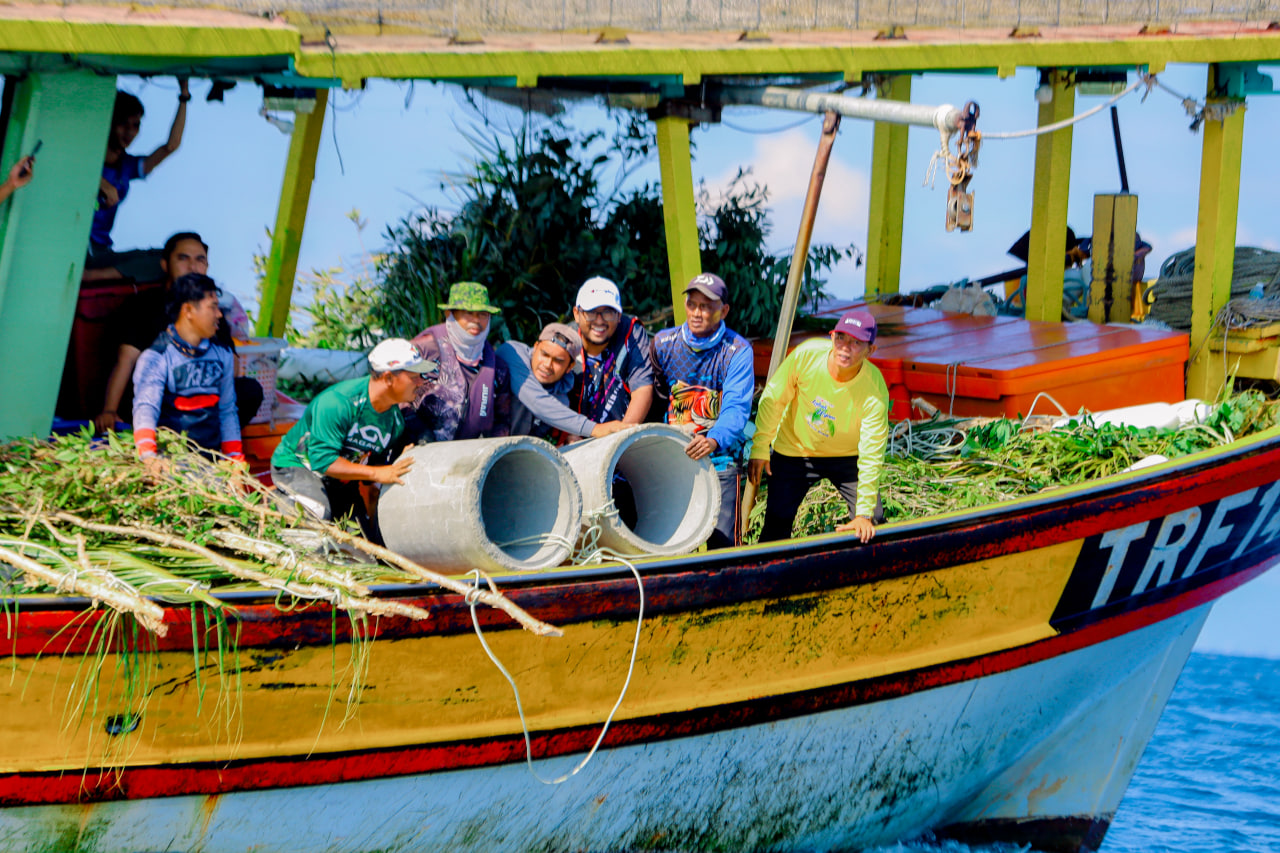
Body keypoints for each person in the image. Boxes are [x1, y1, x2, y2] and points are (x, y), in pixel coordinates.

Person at [94, 232, 262, 433]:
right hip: (156, 403)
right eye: (183, 259)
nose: (192, 267)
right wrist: (109, 410)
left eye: (200, 260)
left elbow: (231, 365)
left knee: (249, 390)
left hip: (199, 403)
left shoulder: (213, 311)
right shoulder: (142, 306)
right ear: (165, 265)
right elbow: (126, 360)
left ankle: (206, 445)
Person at [748, 309, 890, 544]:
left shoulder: (874, 390)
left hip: (847, 456)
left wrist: (864, 514)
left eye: (856, 343)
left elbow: (872, 453)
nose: (845, 347)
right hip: (795, 449)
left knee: (873, 521)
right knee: (776, 523)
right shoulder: (807, 355)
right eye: (840, 337)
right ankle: (766, 576)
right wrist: (760, 446)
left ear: (870, 350)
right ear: (831, 337)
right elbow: (774, 399)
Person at [271, 339, 435, 540]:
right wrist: (378, 473)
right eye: (414, 377)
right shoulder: (338, 403)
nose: (421, 382)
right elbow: (322, 461)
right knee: (316, 512)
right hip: (299, 466)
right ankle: (277, 504)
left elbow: (375, 474)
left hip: (340, 480)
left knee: (362, 549)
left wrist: (396, 463)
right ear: (388, 377)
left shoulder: (395, 422)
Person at [650, 273, 754, 549]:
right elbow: (654, 400)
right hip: (671, 459)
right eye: (692, 304)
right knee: (668, 543)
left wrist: (714, 439)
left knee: (723, 547)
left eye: (706, 306)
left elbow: (736, 407)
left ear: (724, 310)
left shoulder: (737, 350)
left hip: (720, 459)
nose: (697, 313)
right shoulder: (662, 344)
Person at [84, 82, 191, 283]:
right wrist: (101, 183)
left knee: (165, 260)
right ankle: (89, 276)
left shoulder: (128, 166)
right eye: (124, 124)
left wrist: (184, 95)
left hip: (101, 251)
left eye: (136, 125)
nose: (130, 132)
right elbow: (72, 165)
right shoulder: (86, 156)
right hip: (77, 244)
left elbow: (171, 146)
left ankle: (94, 276)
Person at [131, 273, 242, 464]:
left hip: (211, 460)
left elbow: (227, 411)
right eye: (213, 307)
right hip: (170, 461)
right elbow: (146, 408)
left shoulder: (222, 355)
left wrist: (235, 461)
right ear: (188, 310)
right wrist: (149, 457)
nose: (219, 315)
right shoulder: (156, 357)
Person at [405, 282, 512, 443]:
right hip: (416, 451)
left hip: (467, 457)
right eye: (468, 313)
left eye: (483, 314)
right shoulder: (423, 350)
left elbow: (502, 420)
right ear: (450, 314)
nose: (476, 320)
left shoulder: (498, 369)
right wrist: (418, 429)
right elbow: (392, 393)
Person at [498, 322, 629, 440]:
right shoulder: (511, 353)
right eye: (544, 354)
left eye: (558, 361)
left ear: (570, 367)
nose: (547, 365)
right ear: (536, 346)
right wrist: (595, 429)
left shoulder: (561, 400)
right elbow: (537, 401)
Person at [568, 276, 654, 427]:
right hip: (576, 433)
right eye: (591, 312)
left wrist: (622, 438)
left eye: (608, 312)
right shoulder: (564, 339)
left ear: (619, 315)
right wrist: (569, 432)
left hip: (624, 432)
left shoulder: (631, 334)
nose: (600, 321)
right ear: (576, 314)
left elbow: (643, 388)